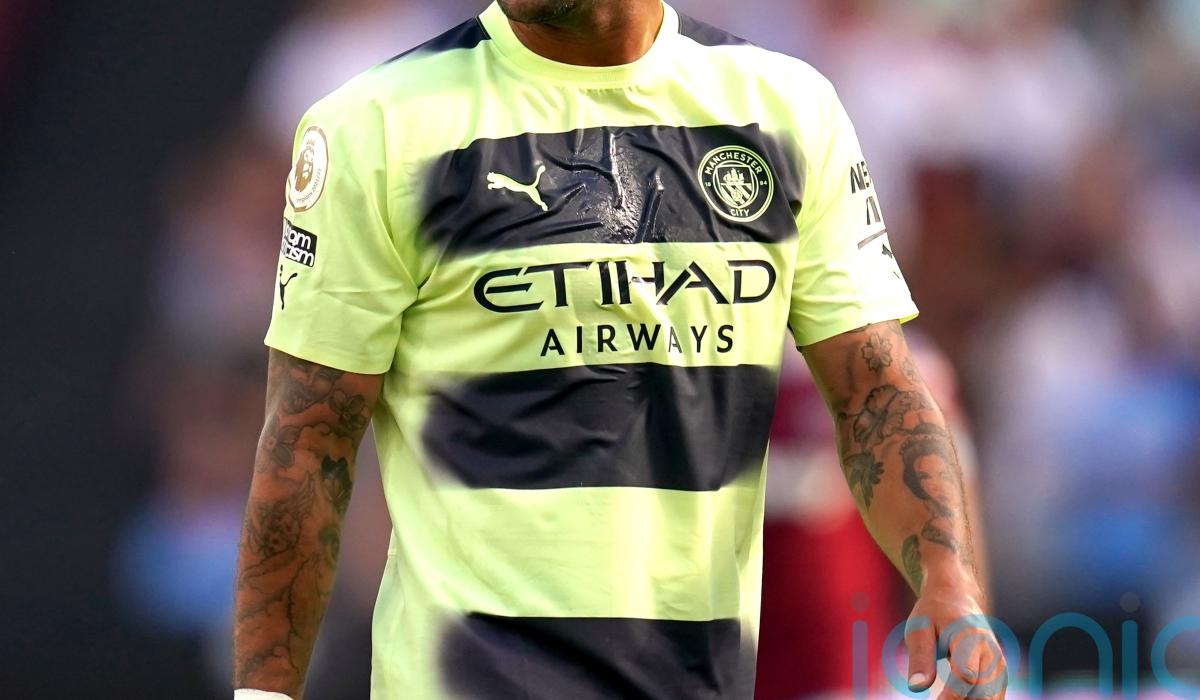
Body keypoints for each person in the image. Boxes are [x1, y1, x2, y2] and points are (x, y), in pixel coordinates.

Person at [232, 1, 1007, 698]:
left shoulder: (784, 111)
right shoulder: (376, 127)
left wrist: (947, 576)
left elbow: (874, 391)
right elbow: (308, 442)